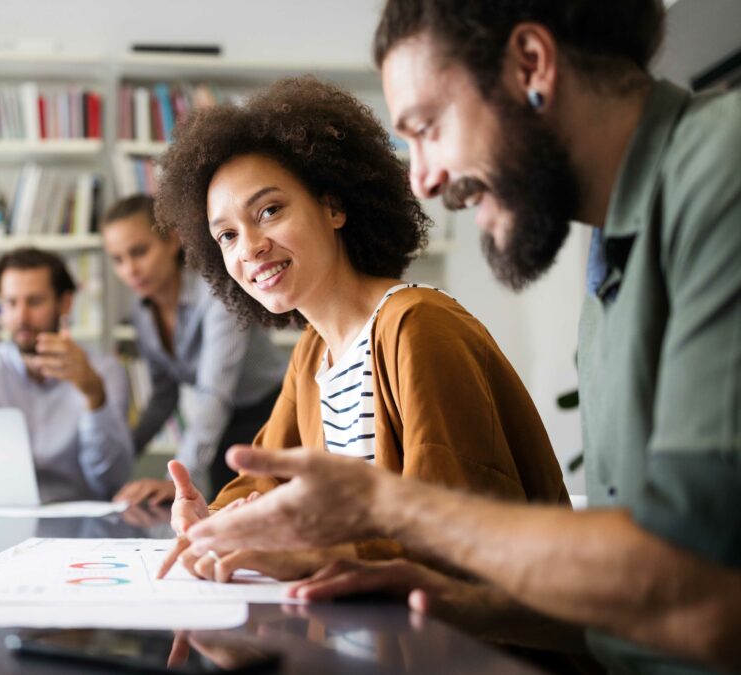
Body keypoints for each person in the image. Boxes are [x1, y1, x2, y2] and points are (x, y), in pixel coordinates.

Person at [182, 2, 741, 672]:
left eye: (428, 127)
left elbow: (699, 594)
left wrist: (384, 509)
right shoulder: (611, 270)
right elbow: (637, 605)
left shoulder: (721, 176)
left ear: (532, 64)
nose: (424, 178)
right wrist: (445, 598)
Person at [154, 77, 568, 585]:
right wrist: (215, 522)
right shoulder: (314, 354)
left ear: (333, 206)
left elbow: (460, 529)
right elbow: (264, 483)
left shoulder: (418, 327)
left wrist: (316, 552)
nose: (250, 247)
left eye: (269, 210)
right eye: (227, 235)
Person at [101, 194, 286, 504]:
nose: (130, 269)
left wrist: (177, 481)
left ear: (172, 241)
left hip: (268, 418)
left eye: (139, 251)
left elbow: (214, 392)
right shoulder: (142, 313)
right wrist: (121, 456)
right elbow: (163, 397)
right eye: (118, 259)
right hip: (221, 424)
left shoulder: (219, 293)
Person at [0, 247, 133, 503]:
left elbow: (111, 482)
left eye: (35, 302)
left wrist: (95, 395)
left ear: (65, 303)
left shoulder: (103, 372)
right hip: (1, 520)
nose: (21, 317)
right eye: (10, 303)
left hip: (82, 525)